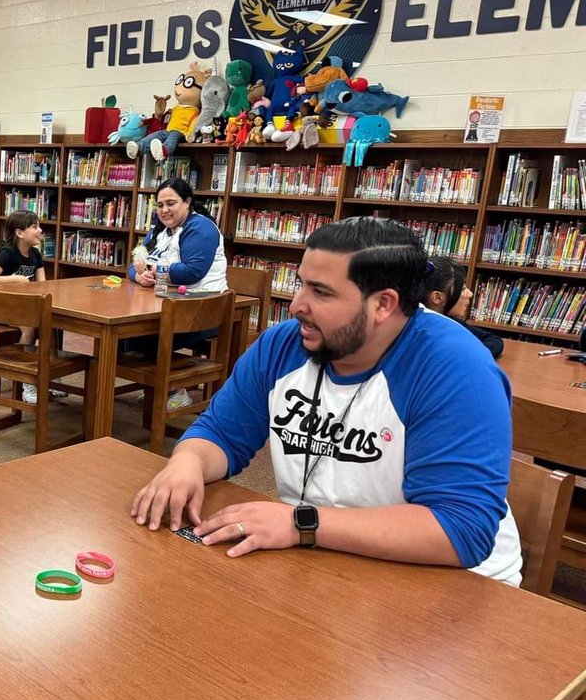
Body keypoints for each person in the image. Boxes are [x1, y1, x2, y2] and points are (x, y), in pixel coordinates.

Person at [131, 217, 522, 585]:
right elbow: (221, 432)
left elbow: (460, 530)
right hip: (323, 553)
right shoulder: (285, 344)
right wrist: (187, 463)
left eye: (321, 292)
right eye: (301, 283)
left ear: (383, 304)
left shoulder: (456, 370)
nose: (296, 304)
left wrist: (301, 523)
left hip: (453, 581)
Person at [126, 176, 228, 410]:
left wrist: (154, 270)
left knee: (144, 333)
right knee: (130, 333)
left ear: (187, 202)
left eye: (171, 203)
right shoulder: (160, 231)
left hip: (202, 308)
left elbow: (193, 271)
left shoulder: (201, 227)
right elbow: (135, 262)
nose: (164, 210)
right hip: (166, 303)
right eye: (160, 205)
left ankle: (174, 389)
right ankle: (157, 386)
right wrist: (139, 276)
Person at [0, 210, 66, 404]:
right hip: (2, 308)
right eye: (35, 227)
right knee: (30, 326)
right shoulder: (7, 253)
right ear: (20, 233)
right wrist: (16, 279)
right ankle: (26, 381)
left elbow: (43, 284)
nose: (40, 230)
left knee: (51, 325)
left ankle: (50, 376)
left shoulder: (35, 254)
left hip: (25, 307)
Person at [422, 256, 503, 357]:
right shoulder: (418, 331)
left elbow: (493, 340)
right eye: (462, 289)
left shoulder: (451, 322)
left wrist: (474, 355)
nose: (470, 294)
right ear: (437, 297)